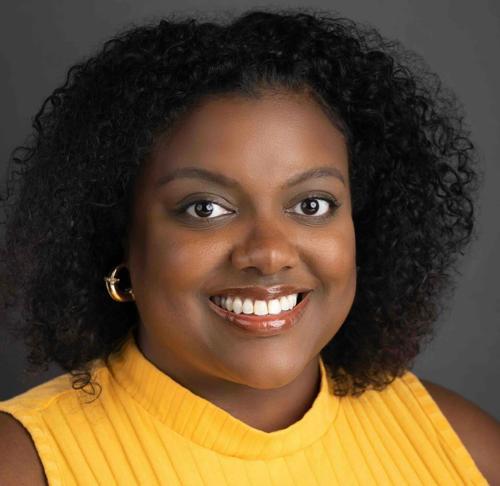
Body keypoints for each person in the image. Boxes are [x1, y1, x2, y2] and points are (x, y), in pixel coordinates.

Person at [0, 7, 499, 485]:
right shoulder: (25, 465)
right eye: (205, 208)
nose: (269, 253)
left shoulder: (461, 447)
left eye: (312, 205)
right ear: (122, 237)